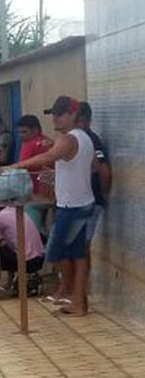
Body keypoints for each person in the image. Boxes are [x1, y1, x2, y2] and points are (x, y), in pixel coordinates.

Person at [4, 95, 95, 316]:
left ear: (74, 115)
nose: (55, 118)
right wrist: (60, 174)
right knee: (79, 255)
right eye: (53, 113)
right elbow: (92, 167)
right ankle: (78, 302)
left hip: (71, 207)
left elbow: (47, 156)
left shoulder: (68, 139)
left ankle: (69, 292)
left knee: (55, 252)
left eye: (60, 113)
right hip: (84, 202)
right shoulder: (84, 138)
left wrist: (13, 166)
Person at [77, 101, 112, 263]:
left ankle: (82, 286)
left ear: (84, 120)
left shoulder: (91, 140)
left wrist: (103, 196)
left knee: (82, 248)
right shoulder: (78, 139)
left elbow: (104, 170)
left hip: (90, 201)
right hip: (81, 201)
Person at [0, 203, 45, 290]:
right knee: (7, 247)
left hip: (26, 262)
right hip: (39, 260)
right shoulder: (15, 211)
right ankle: (10, 283)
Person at [17, 114, 54, 235]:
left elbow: (21, 168)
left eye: (24, 132)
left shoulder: (31, 144)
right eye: (20, 133)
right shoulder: (46, 141)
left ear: (35, 130)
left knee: (31, 231)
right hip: (51, 191)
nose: (21, 136)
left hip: (36, 193)